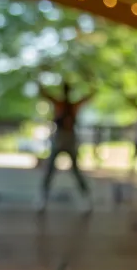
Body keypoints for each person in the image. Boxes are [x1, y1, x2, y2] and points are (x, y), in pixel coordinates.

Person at [37, 78, 96, 210]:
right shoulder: (60, 104)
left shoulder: (71, 105)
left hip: (68, 138)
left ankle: (86, 198)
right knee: (51, 169)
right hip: (61, 138)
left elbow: (90, 96)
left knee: (73, 170)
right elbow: (44, 93)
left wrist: (90, 79)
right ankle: (43, 198)